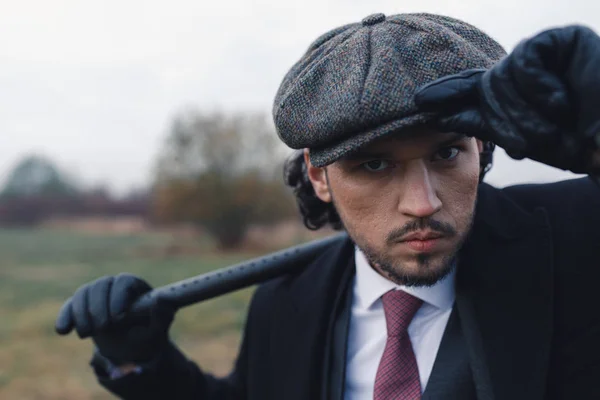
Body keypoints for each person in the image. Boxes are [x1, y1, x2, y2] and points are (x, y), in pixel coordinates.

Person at [54, 13, 600, 400]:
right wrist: (143, 363)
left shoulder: (578, 236)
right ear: (318, 175)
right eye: (374, 165)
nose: (422, 202)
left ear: (481, 149)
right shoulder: (286, 300)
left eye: (446, 152)